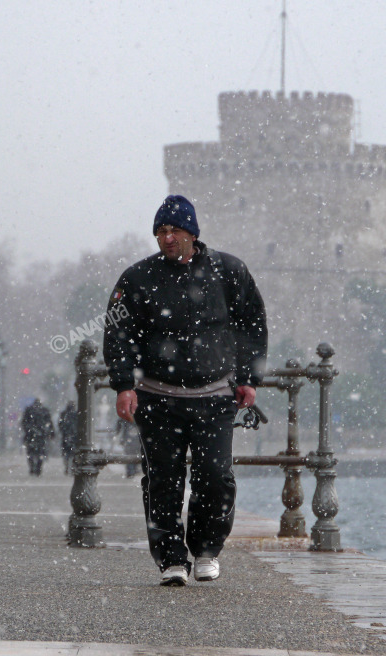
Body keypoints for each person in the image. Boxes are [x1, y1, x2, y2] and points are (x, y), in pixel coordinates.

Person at [103, 195, 266, 587]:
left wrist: (248, 377)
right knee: (163, 479)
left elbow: (252, 325)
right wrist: (124, 384)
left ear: (192, 233)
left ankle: (207, 549)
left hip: (214, 397)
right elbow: (117, 332)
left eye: (174, 230)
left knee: (215, 475)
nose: (167, 237)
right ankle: (172, 558)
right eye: (160, 231)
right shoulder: (137, 278)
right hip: (157, 399)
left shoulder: (229, 271)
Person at [20, 398, 54, 476]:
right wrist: (50, 433)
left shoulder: (29, 410)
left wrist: (28, 430)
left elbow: (24, 423)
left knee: (30, 453)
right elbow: (49, 423)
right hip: (41, 436)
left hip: (30, 435)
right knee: (40, 452)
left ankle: (32, 467)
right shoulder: (44, 411)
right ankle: (38, 467)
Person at [58, 400, 77, 475]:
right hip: (74, 437)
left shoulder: (64, 414)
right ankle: (72, 467)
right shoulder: (76, 414)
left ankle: (67, 466)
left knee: (66, 453)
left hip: (66, 436)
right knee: (73, 453)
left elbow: (60, 425)